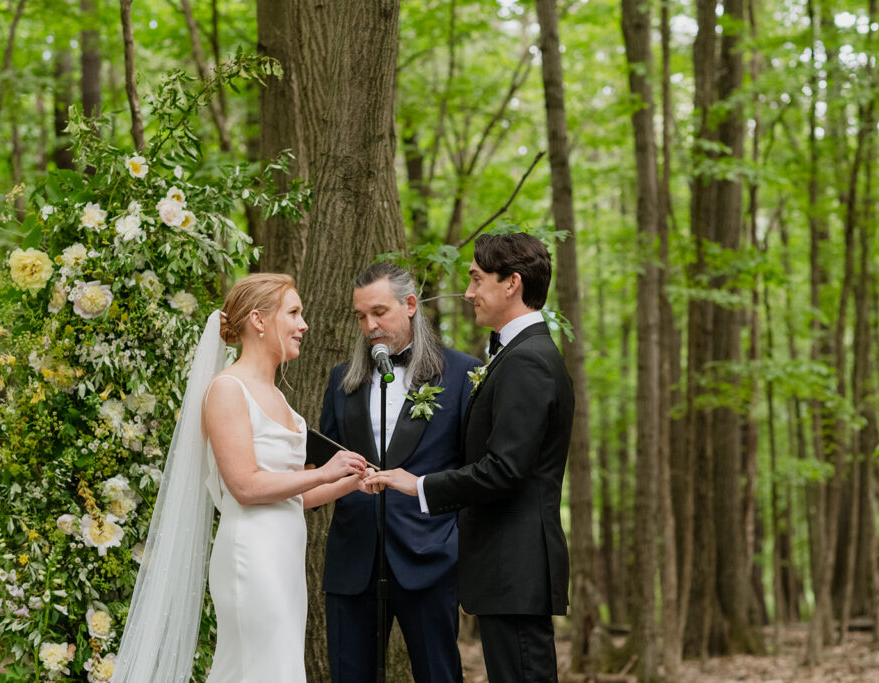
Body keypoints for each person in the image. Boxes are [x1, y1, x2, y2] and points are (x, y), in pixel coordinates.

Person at [114, 273, 369, 683]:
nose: (304, 325)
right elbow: (246, 487)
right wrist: (324, 471)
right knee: (258, 669)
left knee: (276, 666)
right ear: (259, 320)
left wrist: (351, 481)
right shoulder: (229, 389)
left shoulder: (280, 397)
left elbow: (291, 498)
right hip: (251, 556)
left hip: (284, 556)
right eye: (294, 313)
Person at [367, 233, 573, 683]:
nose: (468, 292)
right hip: (506, 572)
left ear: (512, 283)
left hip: (515, 569)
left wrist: (418, 484)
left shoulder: (528, 361)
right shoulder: (515, 355)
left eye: (477, 280)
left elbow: (505, 468)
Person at [319, 262, 479, 683]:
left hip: (430, 560)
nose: (369, 325)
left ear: (410, 305)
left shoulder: (463, 374)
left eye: (379, 312)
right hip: (352, 561)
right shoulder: (341, 380)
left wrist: (454, 542)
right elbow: (323, 466)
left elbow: (475, 470)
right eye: (360, 316)